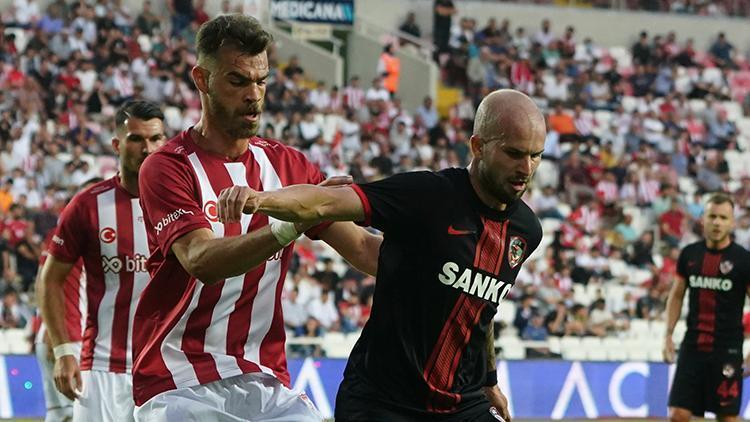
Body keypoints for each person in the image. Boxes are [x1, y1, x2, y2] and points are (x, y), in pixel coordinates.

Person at [218, 89, 545, 421]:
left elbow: (482, 307)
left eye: (536, 155)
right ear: (478, 146)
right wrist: (259, 199)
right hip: (382, 401)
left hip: (462, 404)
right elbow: (326, 202)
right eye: (514, 153)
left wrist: (489, 381)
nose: (526, 168)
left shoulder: (526, 230)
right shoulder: (428, 196)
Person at [131, 15, 381, 421]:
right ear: (202, 79)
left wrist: (448, 263)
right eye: (237, 81)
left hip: (264, 380)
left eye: (261, 81)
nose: (253, 95)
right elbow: (202, 261)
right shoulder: (166, 167)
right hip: (178, 384)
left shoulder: (290, 165)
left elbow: (367, 249)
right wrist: (290, 223)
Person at [38, 101, 166, 421]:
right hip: (101, 370)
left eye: (155, 139)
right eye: (137, 139)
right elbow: (50, 280)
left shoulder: (184, 203)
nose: (147, 148)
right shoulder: (88, 205)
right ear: (116, 144)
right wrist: (64, 351)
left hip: (165, 369)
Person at [663, 192, 750, 422]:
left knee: (727, 417)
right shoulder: (690, 254)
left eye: (723, 218)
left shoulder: (743, 260)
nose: (717, 223)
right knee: (677, 414)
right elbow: (677, 295)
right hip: (692, 346)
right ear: (703, 219)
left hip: (727, 349)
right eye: (712, 216)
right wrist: (668, 335)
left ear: (732, 222)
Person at [33, 177, 101, 422]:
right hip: (67, 335)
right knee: (75, 414)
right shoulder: (85, 236)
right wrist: (55, 336)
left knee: (59, 413)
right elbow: (47, 284)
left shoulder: (57, 234)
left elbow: (41, 283)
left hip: (52, 334)